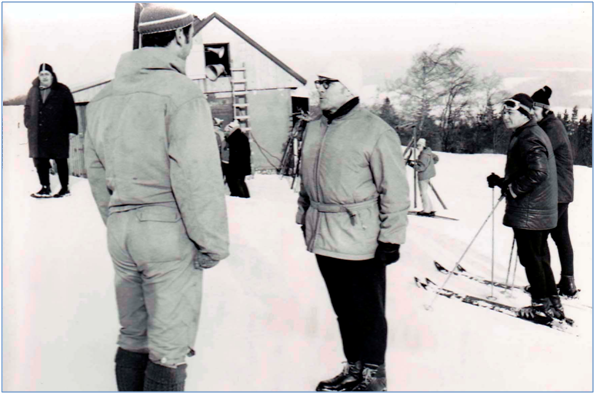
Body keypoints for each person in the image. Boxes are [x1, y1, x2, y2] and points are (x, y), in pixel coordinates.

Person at [84, 4, 229, 391]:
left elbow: (95, 173)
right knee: (168, 347)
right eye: (191, 37)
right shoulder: (181, 93)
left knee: (133, 334)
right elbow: (197, 177)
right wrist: (211, 243)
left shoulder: (102, 98)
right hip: (166, 231)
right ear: (180, 36)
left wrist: (116, 218)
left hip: (122, 230)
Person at [296, 60, 409, 392]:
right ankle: (354, 368)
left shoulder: (375, 130)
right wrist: (303, 214)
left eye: (326, 82)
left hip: (361, 234)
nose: (317, 88)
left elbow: (395, 189)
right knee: (343, 309)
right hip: (323, 229)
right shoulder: (315, 126)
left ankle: (374, 376)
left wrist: (391, 237)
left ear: (348, 86)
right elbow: (306, 179)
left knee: (368, 311)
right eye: (317, 81)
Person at [486, 93, 563, 321]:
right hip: (538, 207)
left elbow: (538, 172)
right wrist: (503, 181)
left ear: (525, 114)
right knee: (538, 256)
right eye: (503, 112)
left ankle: (540, 305)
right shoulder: (530, 132)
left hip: (531, 209)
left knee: (531, 257)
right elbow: (529, 170)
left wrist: (513, 189)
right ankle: (552, 302)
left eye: (509, 113)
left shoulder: (529, 136)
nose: (504, 117)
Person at [531, 86, 576, 296]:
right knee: (560, 235)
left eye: (534, 109)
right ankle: (567, 282)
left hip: (556, 191)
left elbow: (537, 152)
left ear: (543, 109)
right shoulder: (550, 125)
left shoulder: (551, 128)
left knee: (541, 236)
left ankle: (544, 284)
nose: (531, 113)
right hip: (560, 191)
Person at [24, 63, 78, 198]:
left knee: (60, 159)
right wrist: (28, 123)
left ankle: (64, 188)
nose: (44, 77)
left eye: (46, 74)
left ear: (52, 75)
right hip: (38, 132)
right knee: (40, 160)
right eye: (41, 75)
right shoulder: (33, 90)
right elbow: (27, 107)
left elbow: (70, 110)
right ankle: (45, 187)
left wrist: (71, 130)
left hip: (58, 131)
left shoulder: (62, 90)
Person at [407, 138, 439, 217]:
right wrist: (429, 165)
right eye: (417, 145)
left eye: (419, 145)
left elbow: (421, 167)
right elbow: (436, 158)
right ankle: (430, 209)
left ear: (423, 145)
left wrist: (412, 165)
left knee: (423, 193)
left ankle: (426, 210)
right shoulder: (428, 152)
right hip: (428, 174)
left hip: (423, 175)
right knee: (425, 192)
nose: (418, 147)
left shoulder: (423, 155)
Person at [223, 120, 251, 198]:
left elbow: (233, 145)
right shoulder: (239, 136)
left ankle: (244, 197)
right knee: (237, 180)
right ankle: (238, 195)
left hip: (239, 164)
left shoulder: (237, 137)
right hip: (241, 164)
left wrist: (226, 138)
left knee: (239, 181)